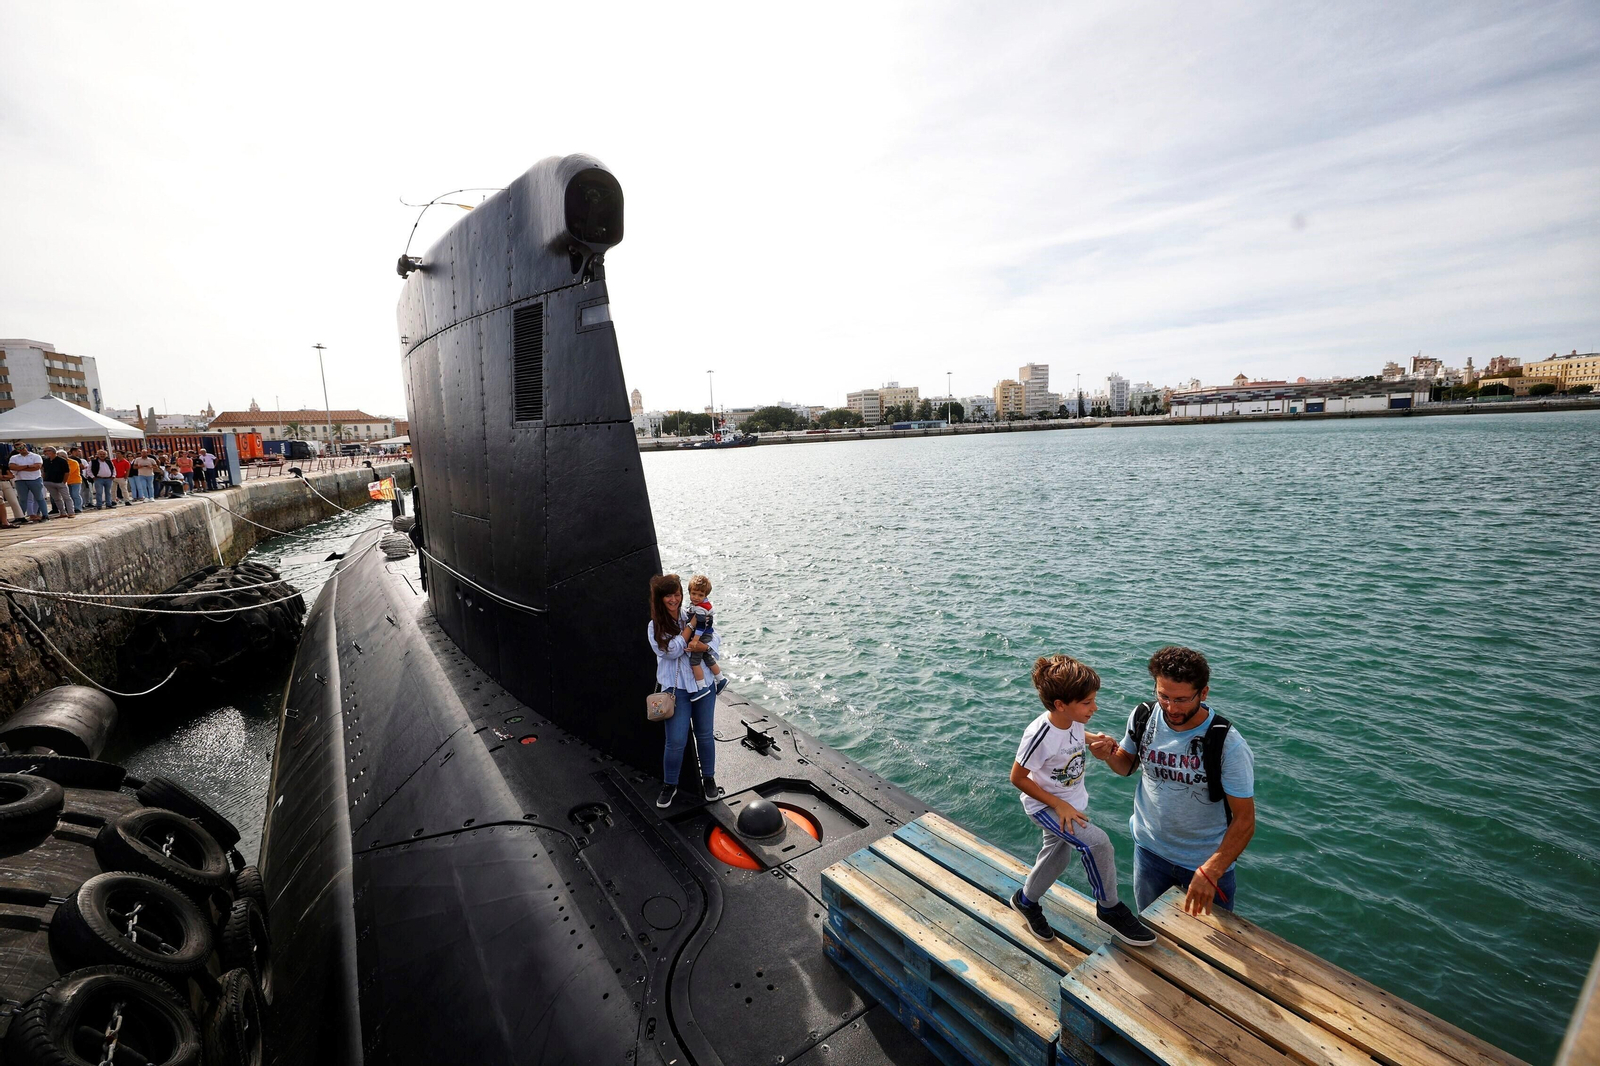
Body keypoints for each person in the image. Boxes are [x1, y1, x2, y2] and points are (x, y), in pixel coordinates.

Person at [1087, 646, 1256, 915]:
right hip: (1149, 853)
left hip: (1204, 866)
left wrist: (1212, 869)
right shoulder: (1143, 716)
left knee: (1207, 952)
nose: (1171, 708)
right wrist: (1106, 755)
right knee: (1153, 934)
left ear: (1204, 693)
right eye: (1163, 696)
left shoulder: (1228, 744)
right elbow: (1125, 766)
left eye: (1182, 700)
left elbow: (1245, 820)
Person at [1008, 655, 1154, 946]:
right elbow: (1018, 778)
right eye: (1087, 703)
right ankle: (1109, 907)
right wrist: (1058, 805)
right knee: (1097, 843)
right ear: (1061, 705)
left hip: (1069, 802)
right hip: (1046, 805)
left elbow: (1073, 734)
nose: (1094, 707)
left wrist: (1093, 738)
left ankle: (1026, 901)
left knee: (1058, 857)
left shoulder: (1071, 720)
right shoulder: (1039, 734)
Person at [647, 573, 721, 810]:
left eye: (677, 594)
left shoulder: (694, 610)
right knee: (676, 741)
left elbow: (714, 635)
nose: (674, 599)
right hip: (676, 690)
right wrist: (690, 627)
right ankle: (670, 784)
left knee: (705, 735)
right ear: (660, 598)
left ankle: (708, 778)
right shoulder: (655, 626)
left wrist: (705, 645)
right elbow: (671, 650)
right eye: (669, 595)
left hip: (703, 685)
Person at [685, 574, 725, 692]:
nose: (696, 597)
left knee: (695, 661)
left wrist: (695, 640)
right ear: (689, 592)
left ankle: (702, 687)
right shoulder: (703, 605)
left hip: (701, 635)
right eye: (694, 594)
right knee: (707, 657)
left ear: (706, 595)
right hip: (707, 634)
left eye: (700, 595)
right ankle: (721, 679)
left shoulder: (700, 609)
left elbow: (701, 625)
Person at [8, 443, 47, 521]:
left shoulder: (35, 456)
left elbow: (37, 467)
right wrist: (28, 466)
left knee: (39, 498)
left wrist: (19, 468)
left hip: (35, 479)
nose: (21, 449)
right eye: (18, 448)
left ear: (25, 447)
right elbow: (11, 467)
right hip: (20, 480)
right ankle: (21, 516)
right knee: (22, 499)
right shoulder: (14, 457)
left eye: (22, 447)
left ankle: (45, 515)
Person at [40, 447, 75, 518]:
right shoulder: (46, 461)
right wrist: (44, 480)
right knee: (56, 499)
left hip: (60, 482)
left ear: (53, 452)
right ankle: (62, 512)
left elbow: (66, 472)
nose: (46, 453)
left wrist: (64, 481)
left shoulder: (62, 461)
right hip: (49, 482)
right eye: (45, 451)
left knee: (66, 497)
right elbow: (44, 471)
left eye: (48, 451)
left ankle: (71, 512)